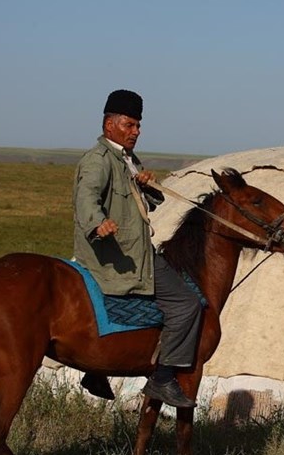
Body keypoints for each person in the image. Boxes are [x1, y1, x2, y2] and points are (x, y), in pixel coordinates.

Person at [73, 89, 201, 408]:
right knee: (187, 304)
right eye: (130, 125)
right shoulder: (99, 160)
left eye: (138, 126)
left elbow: (143, 206)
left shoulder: (127, 160)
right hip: (119, 255)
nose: (136, 132)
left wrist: (147, 187)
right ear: (109, 125)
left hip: (133, 249)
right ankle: (162, 379)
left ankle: (96, 369)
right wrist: (97, 223)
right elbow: (86, 195)